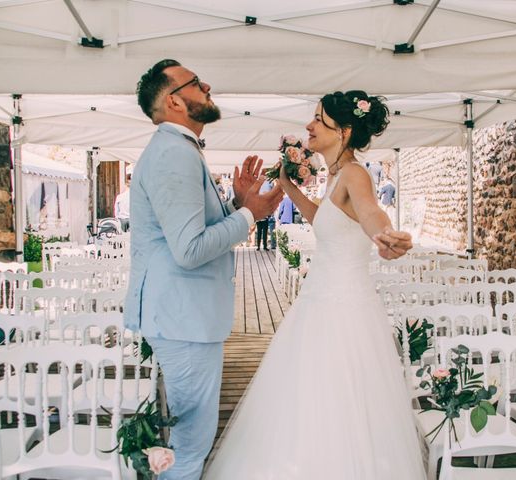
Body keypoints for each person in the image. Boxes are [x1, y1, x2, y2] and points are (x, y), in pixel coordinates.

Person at [204, 91, 425, 479]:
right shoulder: (337, 176)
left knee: (333, 403)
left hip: (341, 312)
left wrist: (385, 235)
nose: (309, 126)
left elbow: (371, 212)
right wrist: (290, 189)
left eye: (319, 120)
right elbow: (327, 218)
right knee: (311, 400)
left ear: (344, 130)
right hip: (319, 303)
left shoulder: (355, 174)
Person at [124, 59, 283, 480]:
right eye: (196, 82)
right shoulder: (174, 153)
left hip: (182, 316)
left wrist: (233, 205)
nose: (207, 85)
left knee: (189, 437)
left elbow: (186, 233)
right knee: (191, 443)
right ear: (175, 100)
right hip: (183, 319)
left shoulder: (178, 148)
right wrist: (250, 215)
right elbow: (190, 250)